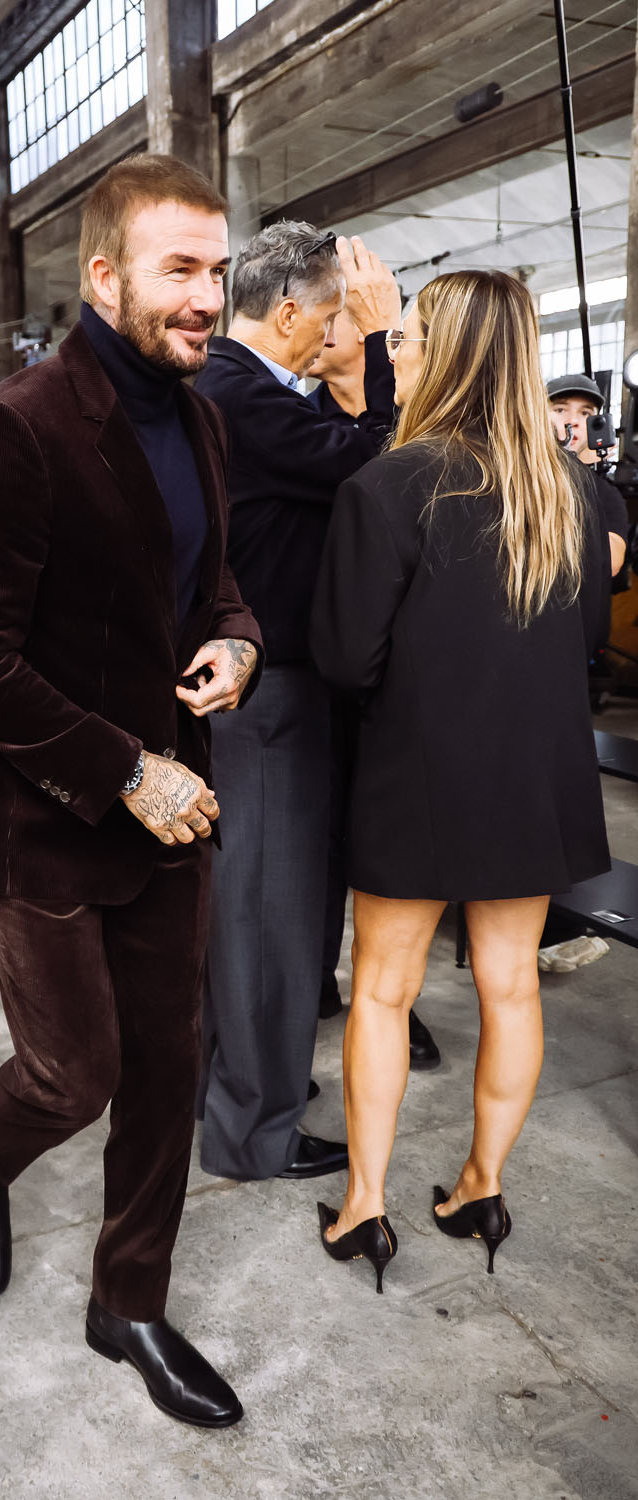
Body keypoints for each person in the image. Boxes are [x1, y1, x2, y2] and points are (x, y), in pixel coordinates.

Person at [0, 154, 263, 1428]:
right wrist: (125, 769)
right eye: (181, 270)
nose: (208, 297)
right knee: (75, 1076)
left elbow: (216, 587)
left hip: (175, 817)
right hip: (44, 825)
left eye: (218, 270)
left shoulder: (202, 418)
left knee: (167, 1070)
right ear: (107, 276)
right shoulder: (10, 429)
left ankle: (127, 1303)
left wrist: (236, 643)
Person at [309, 271, 610, 1292]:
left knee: (382, 990)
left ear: (442, 353)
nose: (393, 351)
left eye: (406, 336)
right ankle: (481, 1187)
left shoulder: (388, 485)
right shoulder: (567, 489)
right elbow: (589, 636)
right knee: (511, 983)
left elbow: (344, 658)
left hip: (417, 773)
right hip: (535, 775)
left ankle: (364, 1207)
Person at [191, 224, 391, 1183]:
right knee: (267, 916)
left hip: (263, 683)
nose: (333, 334)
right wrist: (383, 347)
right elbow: (376, 465)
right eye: (328, 316)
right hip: (269, 693)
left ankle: (241, 1088)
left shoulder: (231, 385)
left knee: (252, 913)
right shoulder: (241, 392)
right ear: (285, 314)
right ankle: (254, 1132)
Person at [306, 306, 441, 1069]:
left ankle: (391, 1000)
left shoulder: (412, 429)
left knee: (390, 857)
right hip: (318, 660)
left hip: (401, 681)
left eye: (337, 316)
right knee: (319, 839)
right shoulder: (294, 419)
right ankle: (316, 982)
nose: (317, 329)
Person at [537, 373, 627, 975]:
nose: (571, 420)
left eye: (584, 412)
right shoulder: (516, 479)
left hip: (565, 662)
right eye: (559, 408)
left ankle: (556, 921)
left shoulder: (602, 495)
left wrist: (580, 478)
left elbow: (602, 565)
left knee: (559, 797)